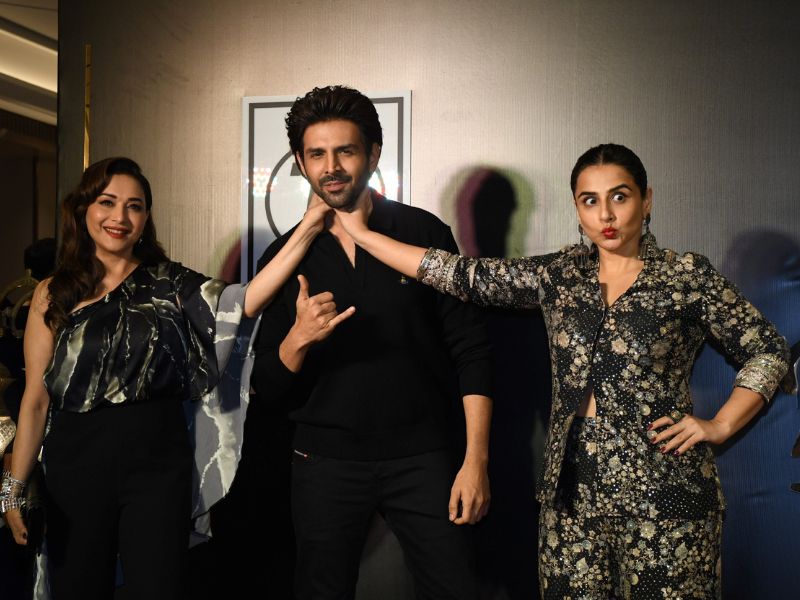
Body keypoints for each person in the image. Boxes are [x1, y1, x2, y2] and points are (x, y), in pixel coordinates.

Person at [333, 143, 791, 599]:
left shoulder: (685, 277)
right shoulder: (560, 276)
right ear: (577, 208)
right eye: (590, 201)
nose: (606, 215)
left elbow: (768, 349)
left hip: (666, 494)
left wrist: (719, 424)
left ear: (646, 199)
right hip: (571, 497)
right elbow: (462, 275)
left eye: (620, 196)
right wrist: (362, 235)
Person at [0, 157, 342, 599]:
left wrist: (310, 225)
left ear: (146, 218)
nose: (120, 217)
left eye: (135, 206)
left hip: (157, 465)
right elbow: (35, 399)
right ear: (82, 209)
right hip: (74, 465)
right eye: (107, 202)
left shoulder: (169, 283)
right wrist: (12, 489)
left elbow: (245, 300)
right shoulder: (53, 292)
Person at [251, 85, 493, 600]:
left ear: (373, 154)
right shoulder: (283, 257)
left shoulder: (422, 231)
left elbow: (471, 349)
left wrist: (476, 461)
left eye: (346, 151)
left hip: (424, 455)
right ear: (300, 162)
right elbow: (265, 386)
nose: (332, 167)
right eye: (317, 154)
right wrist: (298, 339)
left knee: (456, 589)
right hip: (324, 462)